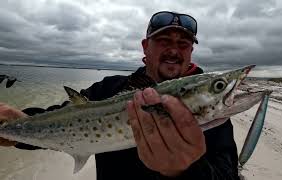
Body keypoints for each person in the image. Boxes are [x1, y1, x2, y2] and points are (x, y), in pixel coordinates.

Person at [0, 11, 240, 179]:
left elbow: (227, 173)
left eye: (183, 44)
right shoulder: (108, 90)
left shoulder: (213, 113)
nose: (174, 50)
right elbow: (61, 120)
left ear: (191, 51)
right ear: (146, 47)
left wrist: (187, 171)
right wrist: (17, 124)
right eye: (164, 40)